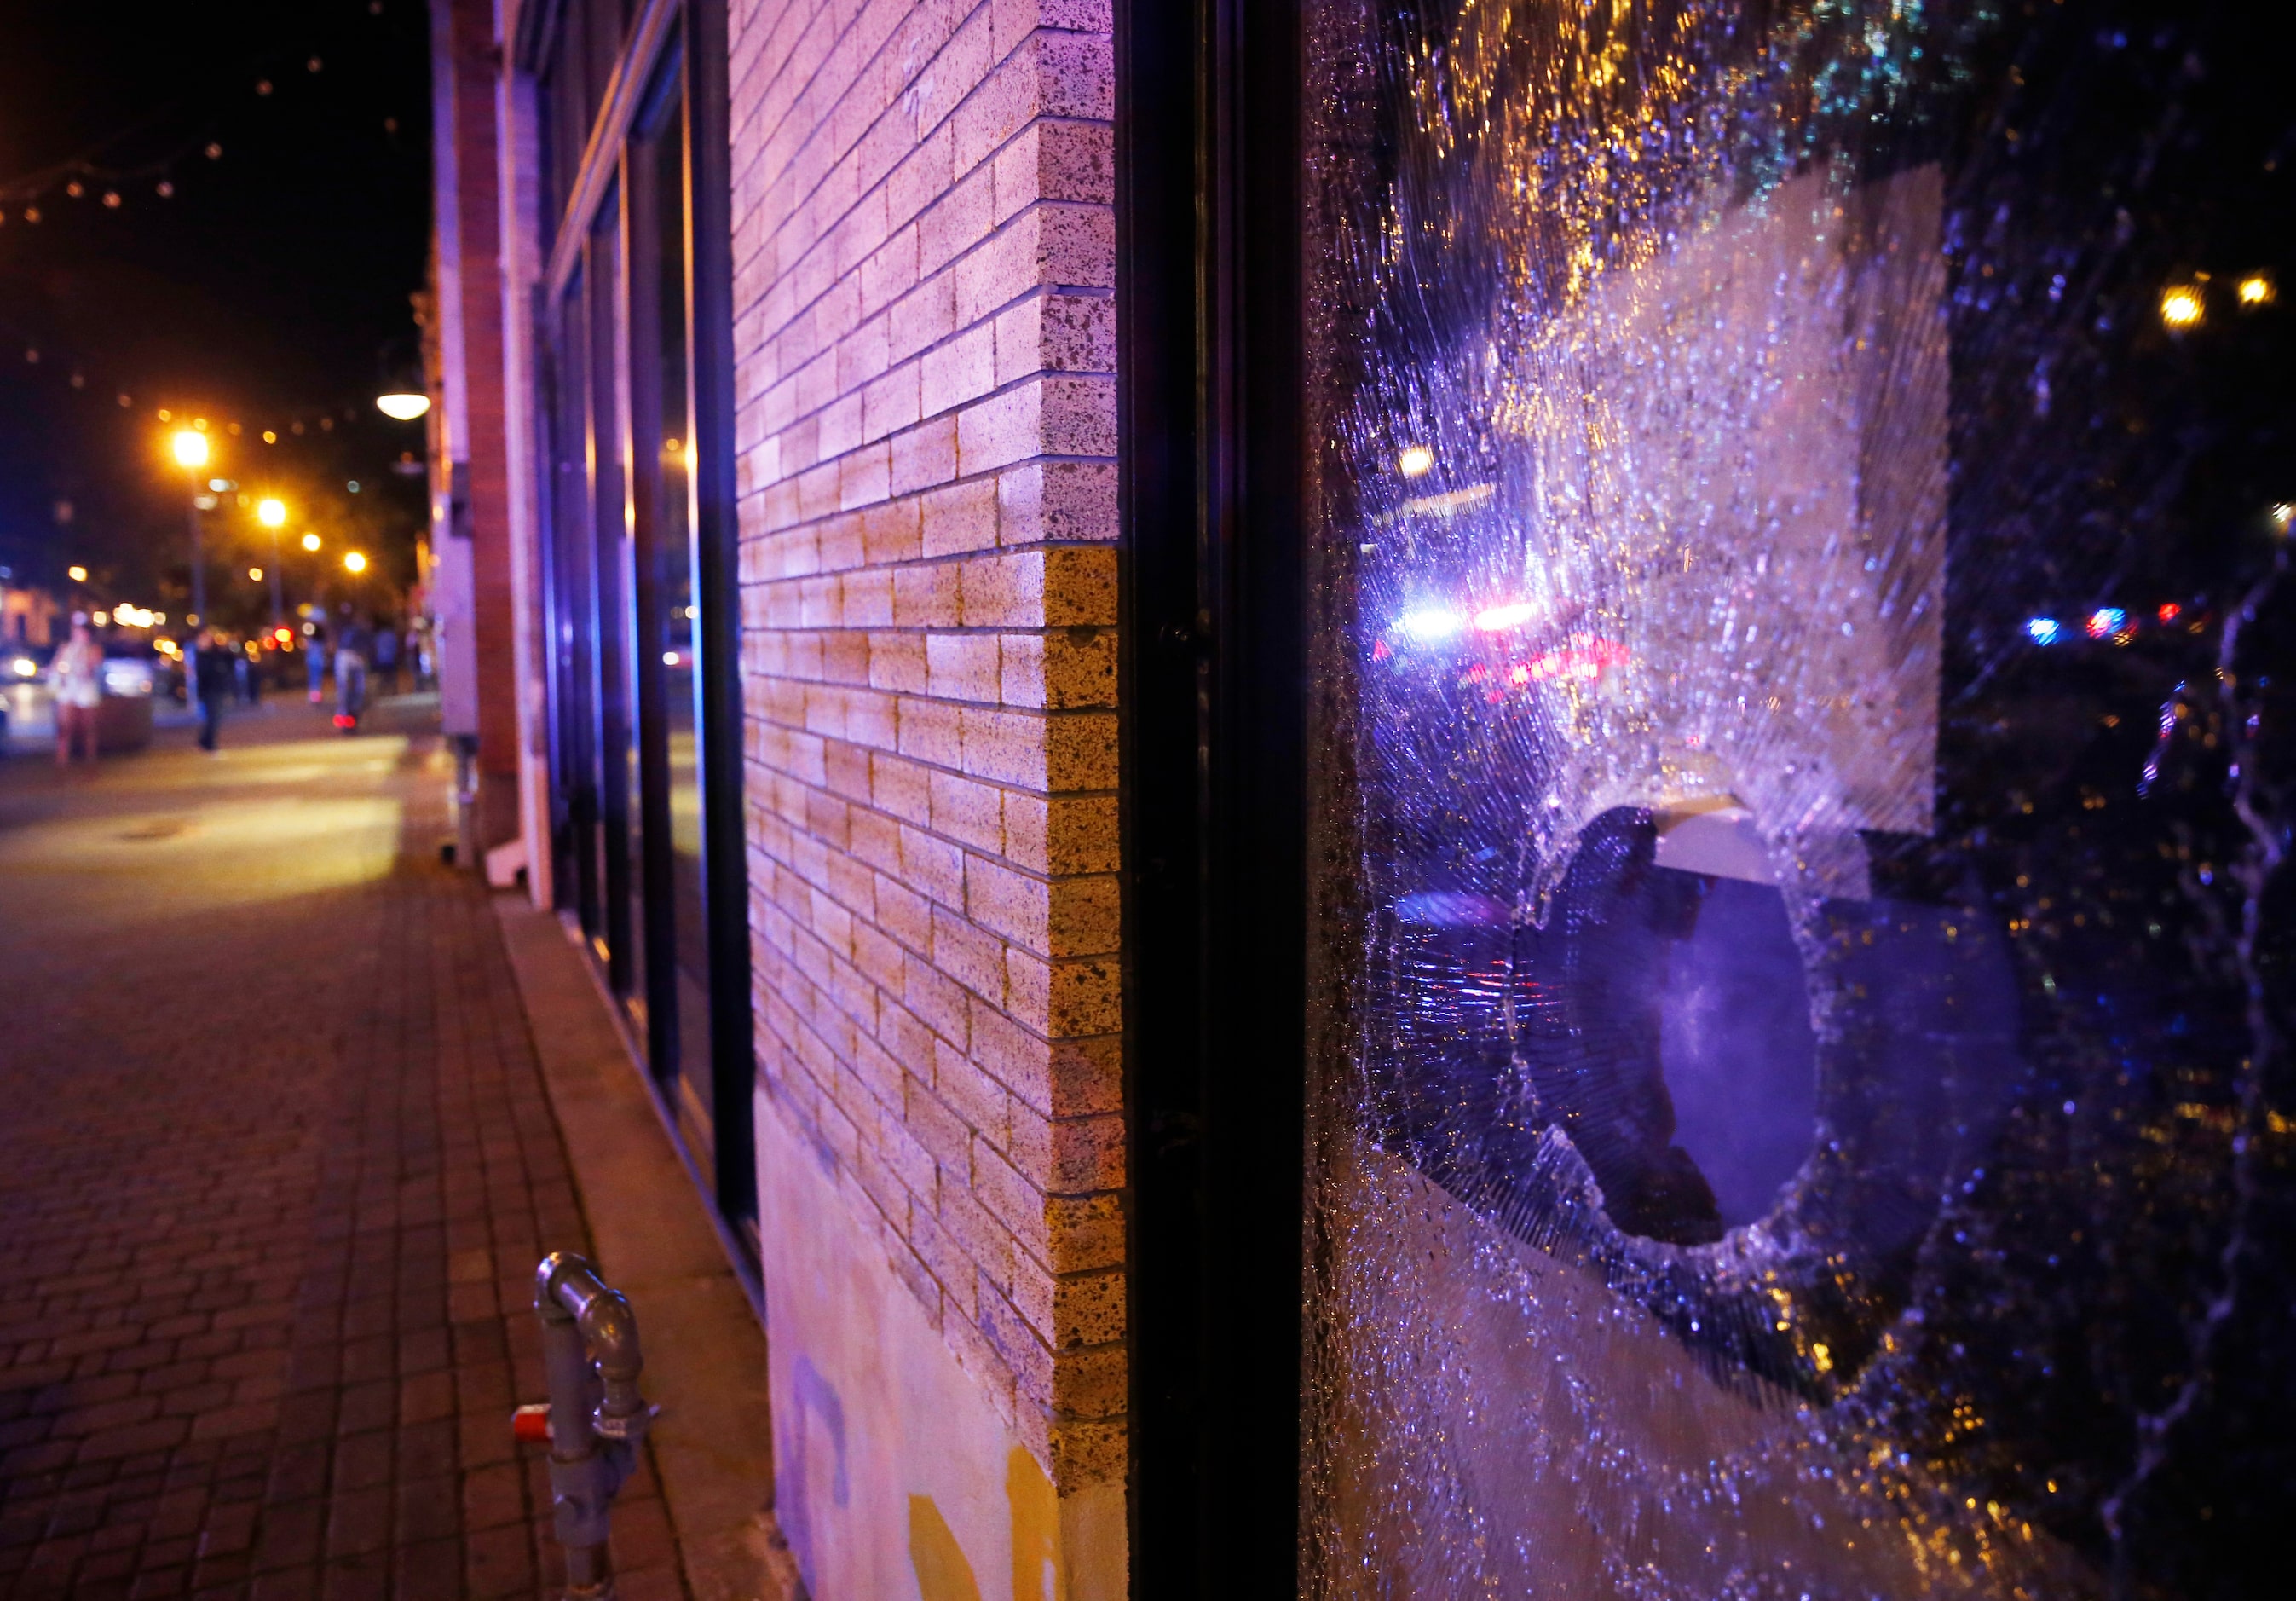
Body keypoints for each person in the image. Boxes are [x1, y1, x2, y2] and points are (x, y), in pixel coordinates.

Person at [49, 615, 103, 768]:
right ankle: (62, 756)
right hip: (68, 687)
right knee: (64, 725)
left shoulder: (93, 649)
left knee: (88, 725)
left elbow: (93, 667)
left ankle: (90, 756)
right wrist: (60, 673)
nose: (79, 636)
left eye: (82, 633)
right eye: (76, 632)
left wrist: (83, 657)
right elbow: (56, 666)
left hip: (86, 689)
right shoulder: (65, 648)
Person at [192, 627, 235, 752]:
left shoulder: (216, 652)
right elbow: (203, 673)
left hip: (219, 688)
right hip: (209, 690)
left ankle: (204, 742)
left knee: (216, 717)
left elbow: (230, 659)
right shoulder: (200, 655)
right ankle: (208, 743)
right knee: (213, 717)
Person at [334, 610, 373, 730]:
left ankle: (350, 715)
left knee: (356, 690)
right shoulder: (353, 631)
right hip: (348, 658)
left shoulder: (362, 633)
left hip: (353, 660)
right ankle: (345, 715)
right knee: (348, 689)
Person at [305, 617, 328, 702]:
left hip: (314, 661)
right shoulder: (315, 641)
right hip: (316, 661)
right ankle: (315, 695)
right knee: (316, 678)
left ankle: (315, 695)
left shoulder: (314, 640)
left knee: (314, 678)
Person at [374, 621, 400, 694]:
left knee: (383, 677)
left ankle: (382, 692)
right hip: (390, 659)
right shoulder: (392, 635)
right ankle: (393, 692)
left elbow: (375, 647)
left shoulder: (379, 635)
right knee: (392, 677)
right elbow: (395, 647)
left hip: (381, 659)